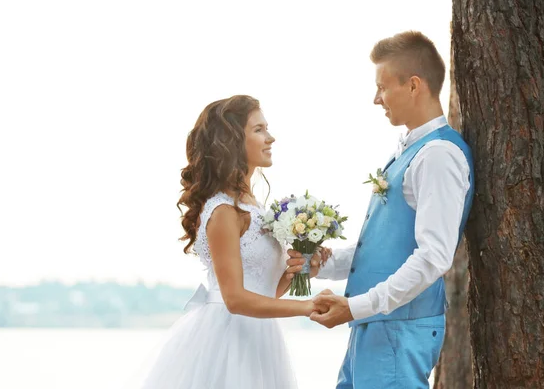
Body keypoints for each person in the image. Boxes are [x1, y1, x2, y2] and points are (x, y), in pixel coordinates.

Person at [287, 31, 475, 388]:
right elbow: (384, 247)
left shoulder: (438, 156)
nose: (377, 99)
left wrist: (354, 307)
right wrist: (320, 264)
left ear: (414, 85)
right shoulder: (410, 151)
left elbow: (434, 257)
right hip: (375, 325)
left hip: (397, 331)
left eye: (383, 87)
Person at [139, 95, 324, 389]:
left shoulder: (252, 206)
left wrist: (301, 270)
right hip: (227, 340)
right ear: (233, 141)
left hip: (258, 337)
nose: (270, 137)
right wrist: (307, 307)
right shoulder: (224, 211)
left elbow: (265, 292)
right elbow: (235, 299)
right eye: (259, 129)